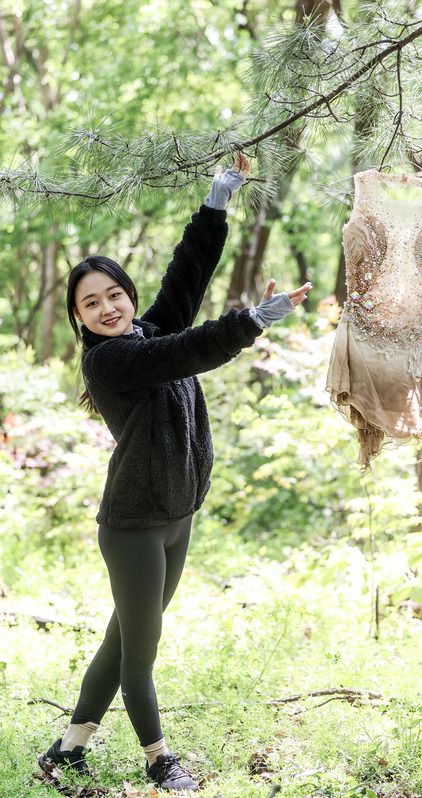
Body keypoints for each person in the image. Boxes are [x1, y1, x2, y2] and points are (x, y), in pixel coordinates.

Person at [38, 151, 312, 792]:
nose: (107, 308)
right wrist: (251, 322)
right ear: (79, 318)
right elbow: (189, 349)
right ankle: (160, 761)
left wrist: (217, 200)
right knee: (141, 656)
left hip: (176, 517)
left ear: (128, 297)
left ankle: (67, 751)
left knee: (122, 642)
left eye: (114, 295)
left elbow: (186, 279)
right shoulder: (108, 362)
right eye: (91, 303)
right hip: (134, 526)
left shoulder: (146, 333)